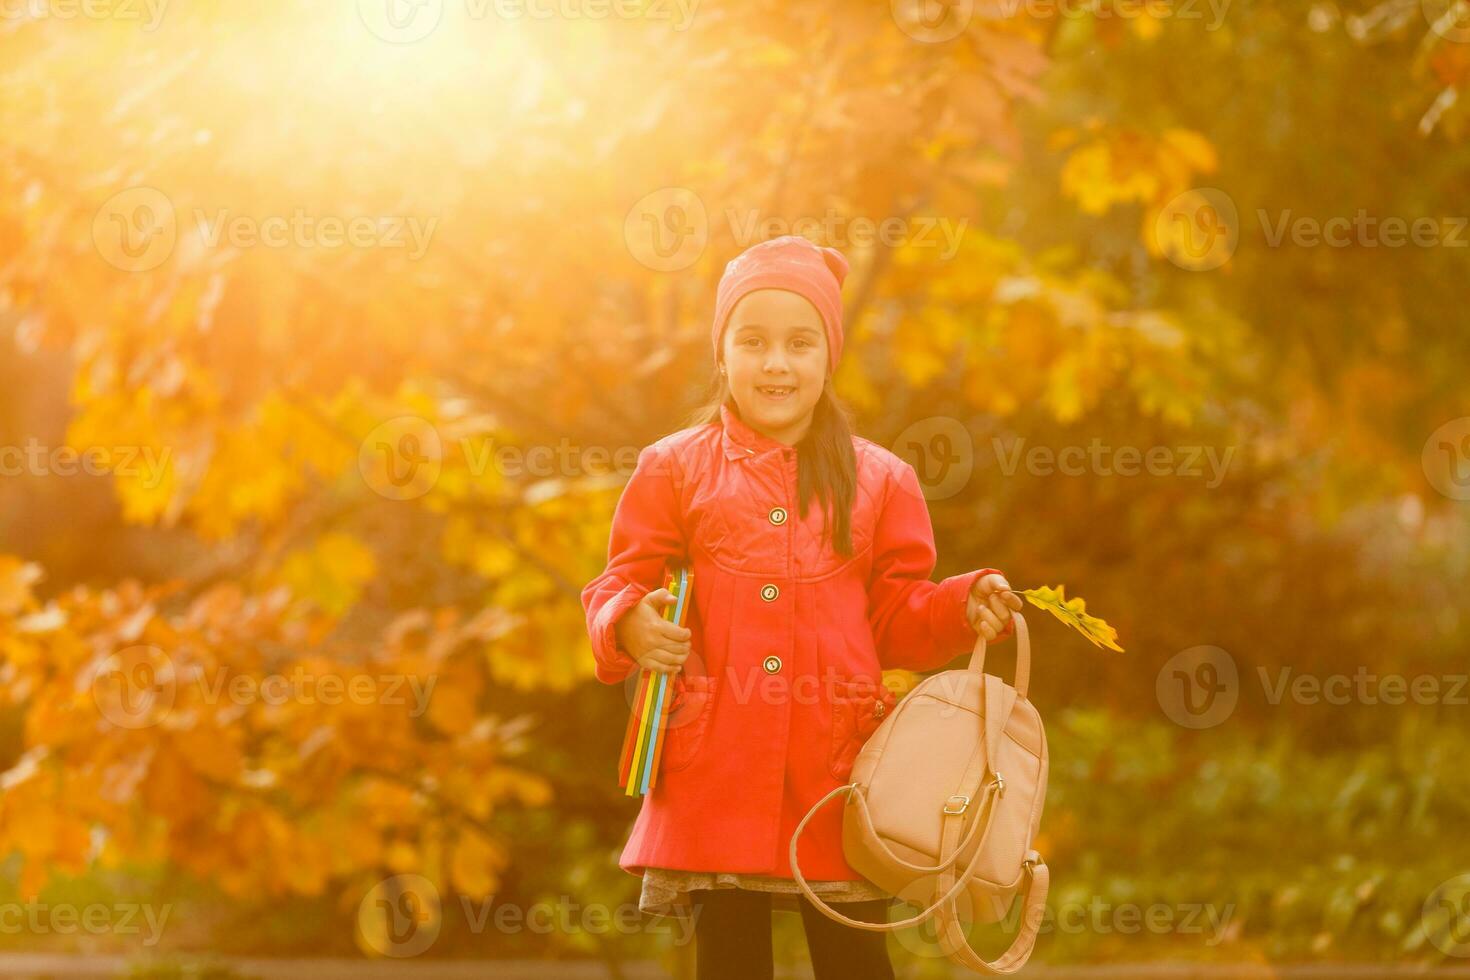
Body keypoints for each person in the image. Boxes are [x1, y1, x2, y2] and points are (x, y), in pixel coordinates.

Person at [581, 235, 1021, 980]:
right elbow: (620, 579)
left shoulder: (882, 480)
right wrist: (630, 619)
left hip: (837, 768)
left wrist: (957, 603)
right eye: (752, 341)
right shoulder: (674, 468)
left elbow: (895, 615)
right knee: (730, 962)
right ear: (721, 353)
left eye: (799, 343)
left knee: (855, 960)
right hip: (714, 763)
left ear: (828, 356)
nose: (776, 363)